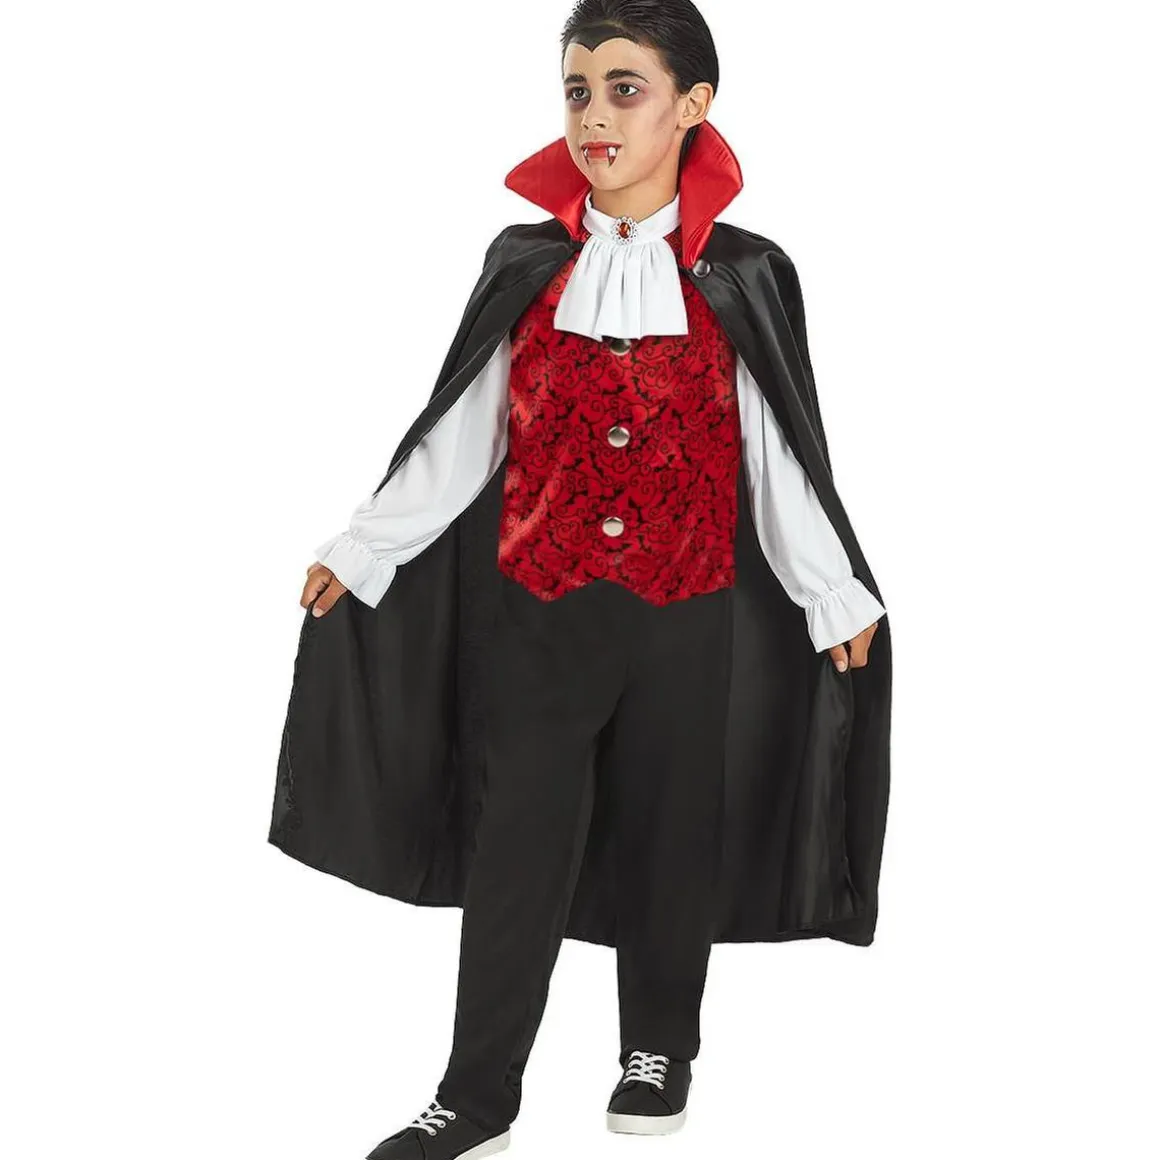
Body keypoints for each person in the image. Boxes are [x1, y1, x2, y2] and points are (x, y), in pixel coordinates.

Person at [268, 4, 892, 1158]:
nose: (593, 116)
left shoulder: (740, 273)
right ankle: (476, 1093)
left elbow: (776, 451)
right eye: (575, 90)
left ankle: (657, 1049)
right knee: (515, 846)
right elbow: (462, 432)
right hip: (539, 613)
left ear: (691, 106)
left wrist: (828, 588)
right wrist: (364, 547)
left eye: (623, 88)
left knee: (671, 831)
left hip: (685, 609)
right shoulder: (524, 264)